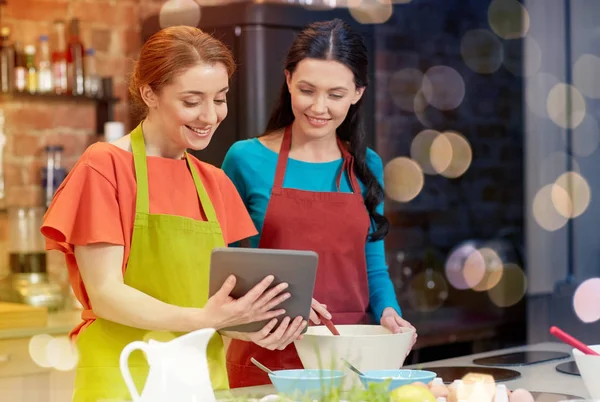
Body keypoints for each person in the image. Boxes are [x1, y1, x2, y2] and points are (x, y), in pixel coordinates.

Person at [40, 26, 304, 402]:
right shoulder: (105, 166)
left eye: (220, 99)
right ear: (149, 93)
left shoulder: (214, 183)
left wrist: (256, 321)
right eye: (192, 100)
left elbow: (210, 305)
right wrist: (206, 320)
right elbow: (106, 294)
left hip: (200, 380)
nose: (210, 115)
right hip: (124, 378)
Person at [221, 18, 418, 388]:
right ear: (288, 80)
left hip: (349, 358)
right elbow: (223, 271)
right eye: (307, 90)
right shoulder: (245, 159)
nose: (319, 107)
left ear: (358, 93)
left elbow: (373, 268)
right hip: (267, 357)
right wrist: (283, 303)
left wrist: (390, 314)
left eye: (336, 94)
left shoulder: (366, 165)